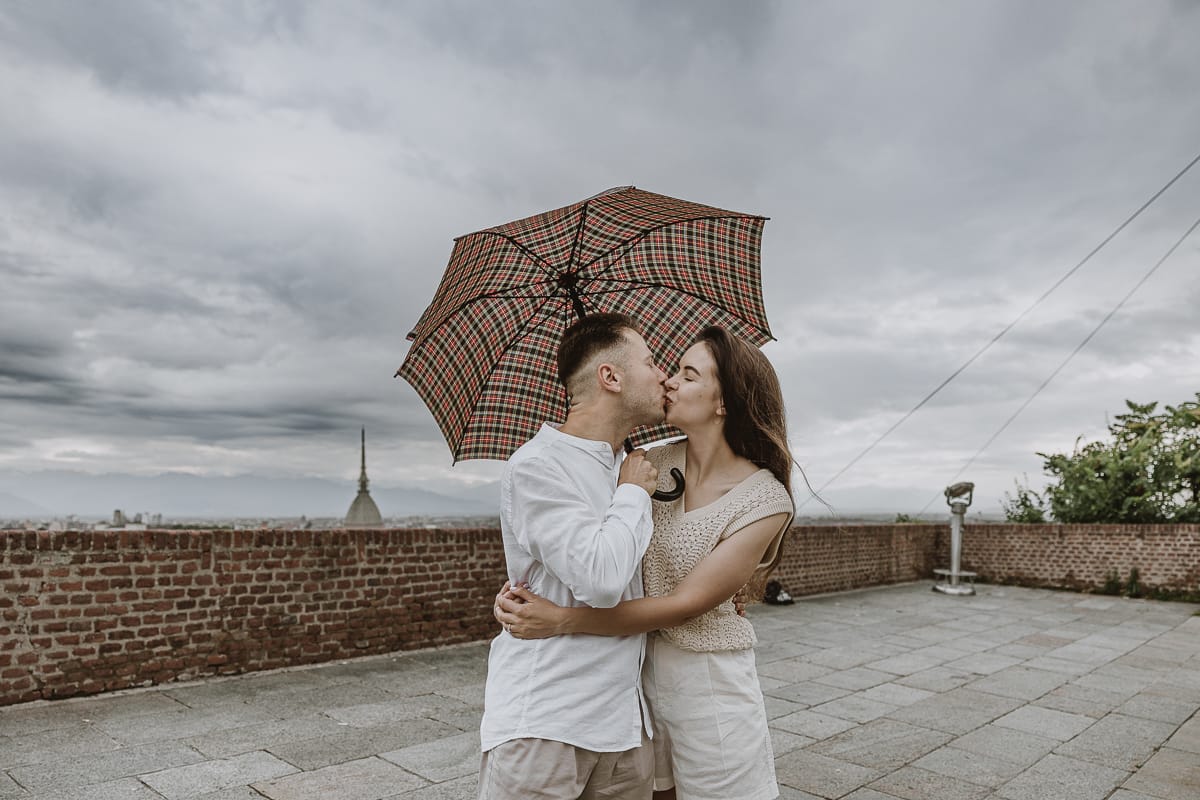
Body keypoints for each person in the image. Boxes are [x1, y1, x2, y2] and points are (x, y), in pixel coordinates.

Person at [497, 326, 794, 800]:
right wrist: (521, 585)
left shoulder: (754, 496)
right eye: (662, 366)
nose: (668, 380)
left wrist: (562, 617)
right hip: (623, 692)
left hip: (699, 686)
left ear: (724, 401)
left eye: (687, 374)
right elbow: (584, 550)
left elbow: (682, 600)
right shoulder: (643, 465)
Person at [478, 312, 668, 800]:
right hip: (548, 725)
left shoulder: (633, 465)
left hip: (626, 727)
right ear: (611, 377)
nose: (662, 375)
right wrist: (632, 494)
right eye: (651, 362)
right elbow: (601, 581)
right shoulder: (538, 466)